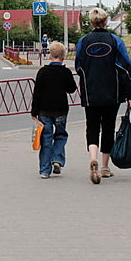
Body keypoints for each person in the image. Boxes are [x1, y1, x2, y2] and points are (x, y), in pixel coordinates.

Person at [75, 7, 131, 184]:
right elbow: (126, 67)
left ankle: (92, 157)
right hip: (112, 91)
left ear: (91, 22)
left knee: (92, 126)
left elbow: (79, 66)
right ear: (106, 21)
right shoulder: (115, 41)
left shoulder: (83, 42)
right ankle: (104, 166)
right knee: (108, 127)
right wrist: (129, 93)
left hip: (90, 91)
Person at [30, 41, 78, 178]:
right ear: (63, 56)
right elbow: (72, 89)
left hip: (44, 111)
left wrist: (34, 112)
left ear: (50, 56)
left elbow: (37, 93)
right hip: (61, 110)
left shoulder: (43, 72)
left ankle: (45, 170)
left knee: (46, 139)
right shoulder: (66, 72)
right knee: (61, 135)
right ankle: (57, 159)